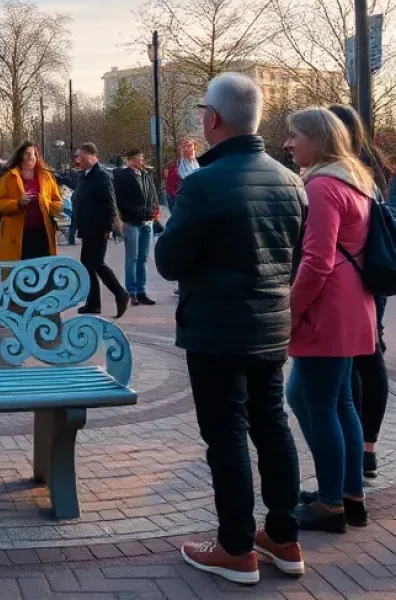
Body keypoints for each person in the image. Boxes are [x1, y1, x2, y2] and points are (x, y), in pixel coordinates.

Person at [155, 73, 305, 585]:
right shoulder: (291, 181)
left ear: (212, 119)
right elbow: (297, 257)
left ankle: (237, 547)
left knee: (227, 437)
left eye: (202, 112)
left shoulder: (203, 184)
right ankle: (283, 537)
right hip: (270, 326)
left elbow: (171, 261)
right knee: (273, 426)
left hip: (217, 331)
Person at [284, 107, 376, 532]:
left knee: (314, 403)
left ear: (318, 140)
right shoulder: (356, 180)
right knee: (337, 403)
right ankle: (348, 494)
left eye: (294, 135)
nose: (287, 143)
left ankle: (330, 503)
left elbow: (317, 260)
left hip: (327, 308)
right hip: (354, 304)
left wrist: (290, 312)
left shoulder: (323, 185)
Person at [328, 104, 389, 481]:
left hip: (350, 274)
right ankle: (368, 449)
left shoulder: (344, 176)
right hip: (375, 273)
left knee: (351, 355)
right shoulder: (374, 173)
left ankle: (357, 451)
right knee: (371, 351)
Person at [72, 144, 130, 319]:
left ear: (91, 156)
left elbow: (110, 203)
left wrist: (108, 227)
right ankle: (93, 302)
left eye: (80, 156)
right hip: (86, 227)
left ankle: (120, 293)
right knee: (87, 262)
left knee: (97, 262)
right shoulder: (83, 176)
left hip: (98, 227)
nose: (78, 160)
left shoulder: (102, 176)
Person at [0, 142, 62, 260]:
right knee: (20, 271)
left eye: (35, 154)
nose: (32, 157)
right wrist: (18, 203)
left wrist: (45, 203)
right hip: (18, 234)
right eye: (28, 154)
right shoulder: (9, 177)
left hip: (42, 233)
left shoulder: (47, 177)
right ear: (21, 157)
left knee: (42, 269)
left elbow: (58, 204)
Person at [113, 148, 159, 306]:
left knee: (143, 258)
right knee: (132, 258)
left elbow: (153, 194)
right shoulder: (123, 176)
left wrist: (153, 209)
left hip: (147, 220)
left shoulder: (146, 175)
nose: (141, 160)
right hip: (132, 221)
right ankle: (131, 291)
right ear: (130, 159)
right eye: (139, 158)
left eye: (142, 157)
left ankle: (141, 290)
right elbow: (119, 199)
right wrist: (126, 214)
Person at [165, 138, 199, 206]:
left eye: (189, 145)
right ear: (180, 149)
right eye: (183, 147)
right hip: (183, 204)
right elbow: (170, 189)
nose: (186, 149)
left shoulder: (199, 164)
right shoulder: (175, 167)